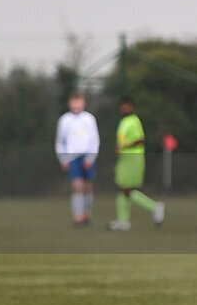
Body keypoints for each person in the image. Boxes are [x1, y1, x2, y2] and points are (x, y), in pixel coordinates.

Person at [108, 96, 165, 230]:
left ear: (132, 107)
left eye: (126, 105)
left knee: (126, 189)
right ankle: (123, 221)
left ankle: (155, 207)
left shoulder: (134, 120)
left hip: (133, 157)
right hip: (124, 159)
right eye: (122, 106)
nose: (124, 108)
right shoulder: (123, 121)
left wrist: (123, 147)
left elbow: (140, 140)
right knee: (121, 188)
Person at [54, 91, 100, 225]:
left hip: (87, 157)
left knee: (87, 187)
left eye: (78, 101)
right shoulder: (64, 120)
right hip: (72, 158)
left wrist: (90, 158)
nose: (76, 104)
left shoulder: (89, 119)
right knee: (77, 186)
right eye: (74, 101)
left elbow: (95, 140)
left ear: (83, 103)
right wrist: (63, 159)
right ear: (69, 103)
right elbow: (59, 142)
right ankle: (78, 216)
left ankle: (87, 213)